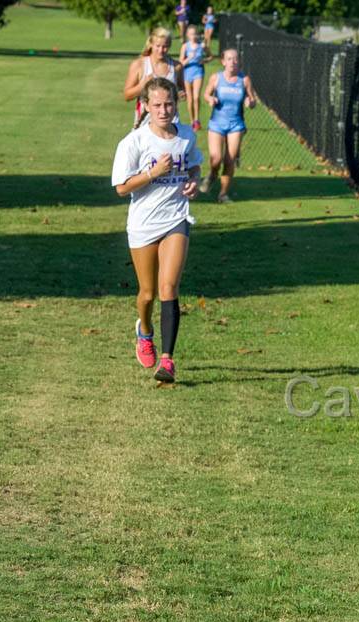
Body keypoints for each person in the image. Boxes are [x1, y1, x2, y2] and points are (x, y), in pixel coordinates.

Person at [111, 77, 203, 384]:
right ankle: (145, 331)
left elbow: (194, 166)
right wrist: (152, 172)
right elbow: (122, 188)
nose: (164, 110)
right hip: (142, 223)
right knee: (147, 293)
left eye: (169, 104)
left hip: (176, 218)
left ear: (175, 105)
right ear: (146, 106)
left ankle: (168, 360)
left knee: (169, 288)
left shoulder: (186, 136)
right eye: (157, 105)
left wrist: (193, 181)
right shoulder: (134, 142)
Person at [200, 48, 257, 203]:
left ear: (239, 61)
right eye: (229, 59)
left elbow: (253, 100)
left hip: (236, 125)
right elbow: (206, 94)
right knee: (216, 159)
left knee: (230, 160)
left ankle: (223, 194)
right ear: (223, 62)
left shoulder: (244, 80)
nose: (233, 62)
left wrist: (249, 102)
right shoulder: (216, 78)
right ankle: (212, 174)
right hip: (217, 123)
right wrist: (210, 99)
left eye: (235, 59)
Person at [123, 28, 183, 127]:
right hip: (144, 123)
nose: (161, 50)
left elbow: (181, 89)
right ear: (151, 44)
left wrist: (181, 93)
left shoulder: (176, 67)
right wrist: (142, 85)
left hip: (172, 122)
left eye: (165, 47)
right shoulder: (139, 64)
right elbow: (127, 95)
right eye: (158, 46)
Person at [179, 25, 208, 131]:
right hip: (187, 72)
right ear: (187, 35)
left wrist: (204, 60)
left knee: (196, 97)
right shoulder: (185, 46)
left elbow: (211, 57)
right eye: (191, 34)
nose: (193, 36)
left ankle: (197, 120)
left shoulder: (202, 46)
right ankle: (192, 121)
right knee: (190, 99)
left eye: (195, 33)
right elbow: (180, 63)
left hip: (198, 72)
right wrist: (188, 58)